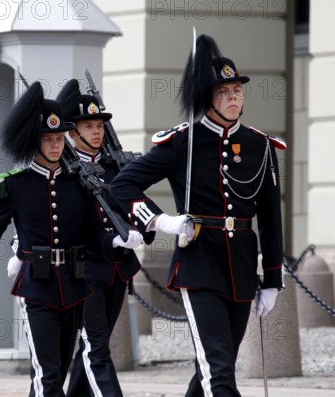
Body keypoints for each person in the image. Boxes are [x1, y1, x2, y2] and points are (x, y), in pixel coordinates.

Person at [111, 35, 286, 397]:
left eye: (238, 90)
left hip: (240, 271)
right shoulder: (182, 142)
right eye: (224, 92)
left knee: (211, 367)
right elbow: (122, 186)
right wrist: (163, 222)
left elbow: (270, 218)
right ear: (207, 97)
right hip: (199, 265)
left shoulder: (261, 146)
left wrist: (271, 279)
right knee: (219, 371)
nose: (234, 97)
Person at [0, 82, 143, 397]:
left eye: (59, 139)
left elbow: (92, 233)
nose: (55, 145)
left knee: (57, 372)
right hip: (37, 286)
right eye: (48, 139)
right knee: (47, 377)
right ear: (34, 142)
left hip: (74, 286)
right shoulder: (16, 184)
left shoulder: (80, 183)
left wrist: (115, 242)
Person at [54, 79, 150, 397]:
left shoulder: (114, 167)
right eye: (89, 126)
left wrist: (145, 227)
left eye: (99, 125)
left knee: (96, 343)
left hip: (117, 270)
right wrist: (111, 241)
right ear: (72, 132)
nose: (97, 131)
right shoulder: (65, 174)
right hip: (85, 271)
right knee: (97, 349)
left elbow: (132, 206)